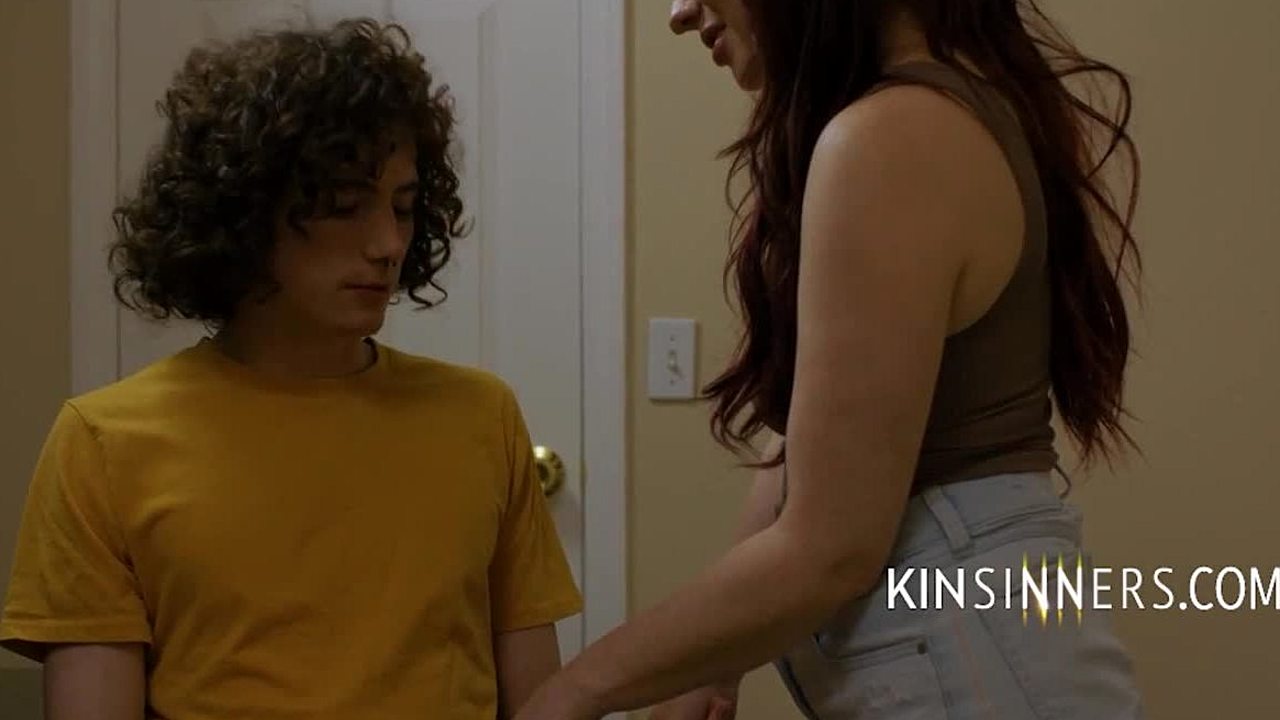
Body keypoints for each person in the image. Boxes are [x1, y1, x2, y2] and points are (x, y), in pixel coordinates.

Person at [516, 0, 1145, 718]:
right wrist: (709, 673)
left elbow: (830, 547)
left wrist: (568, 693)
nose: (680, 11)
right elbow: (817, 449)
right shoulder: (935, 114)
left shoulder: (895, 136)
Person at [0, 19, 581, 720]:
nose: (388, 243)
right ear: (245, 210)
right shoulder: (102, 443)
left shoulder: (481, 417)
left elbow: (542, 703)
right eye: (346, 206)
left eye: (403, 208)